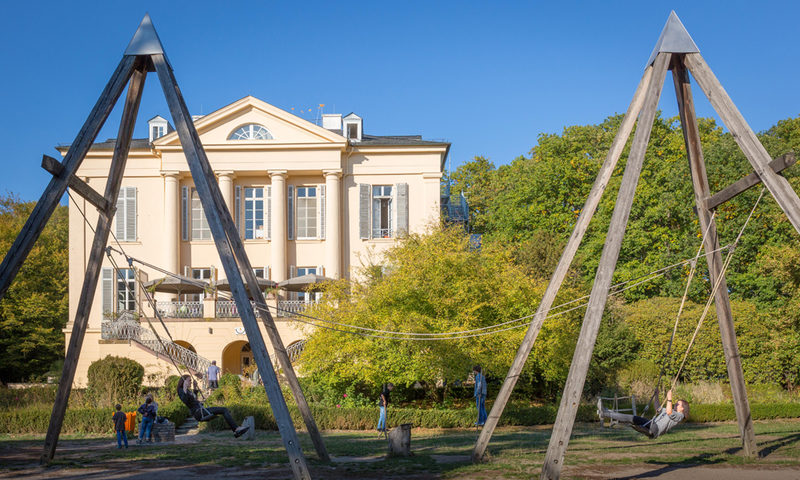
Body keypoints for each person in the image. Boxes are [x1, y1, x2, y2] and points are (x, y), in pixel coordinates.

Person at [177, 374, 249, 438]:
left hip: (200, 410)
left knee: (224, 410)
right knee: (224, 410)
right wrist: (185, 388)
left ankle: (236, 430)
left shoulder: (188, 391)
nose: (191, 382)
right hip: (198, 412)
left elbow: (194, 400)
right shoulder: (181, 390)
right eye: (189, 381)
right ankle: (236, 429)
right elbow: (185, 400)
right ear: (184, 381)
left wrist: (195, 387)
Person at [599, 389, 689, 439]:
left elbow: (669, 412)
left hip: (655, 428)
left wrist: (669, 398)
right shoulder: (671, 410)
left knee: (632, 419)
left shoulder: (680, 416)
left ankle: (606, 413)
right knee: (631, 418)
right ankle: (606, 413)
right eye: (676, 403)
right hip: (652, 424)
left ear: (682, 408)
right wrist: (656, 395)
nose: (675, 404)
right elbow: (658, 408)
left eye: (678, 404)